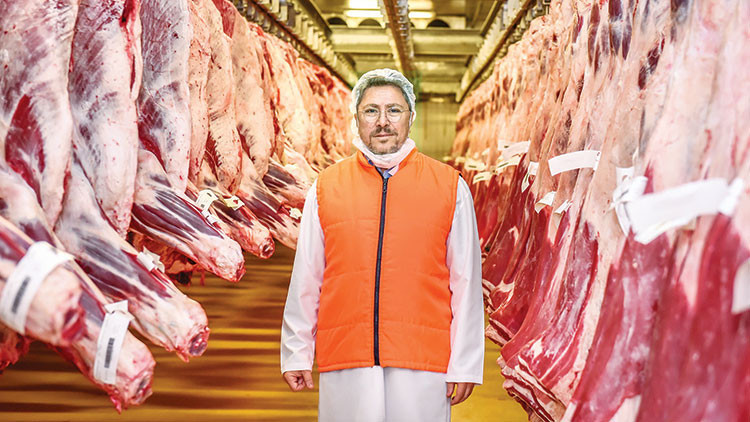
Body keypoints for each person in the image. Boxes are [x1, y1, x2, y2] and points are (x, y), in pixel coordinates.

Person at [280, 68, 484, 422]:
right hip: (346, 357)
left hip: (422, 361)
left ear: (411, 117)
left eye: (394, 110)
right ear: (357, 118)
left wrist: (465, 362)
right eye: (371, 111)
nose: (383, 121)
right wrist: (296, 350)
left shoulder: (450, 187)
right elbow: (307, 277)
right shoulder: (326, 187)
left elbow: (465, 281)